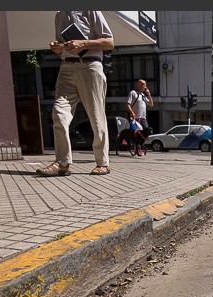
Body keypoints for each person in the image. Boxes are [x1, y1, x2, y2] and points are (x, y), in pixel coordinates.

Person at [37, 11, 114, 177]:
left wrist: (83, 44)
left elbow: (109, 42)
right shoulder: (59, 15)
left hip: (90, 66)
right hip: (66, 67)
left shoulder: (91, 10)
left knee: (96, 117)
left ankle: (102, 163)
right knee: (58, 113)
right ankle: (62, 162)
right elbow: (61, 46)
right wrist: (57, 47)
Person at [126, 79, 153, 157]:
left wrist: (149, 94)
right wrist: (132, 112)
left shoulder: (143, 96)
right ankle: (138, 148)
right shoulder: (133, 93)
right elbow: (127, 104)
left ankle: (139, 147)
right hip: (136, 119)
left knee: (146, 133)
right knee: (136, 135)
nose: (145, 87)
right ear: (139, 85)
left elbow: (151, 104)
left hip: (143, 119)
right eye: (144, 85)